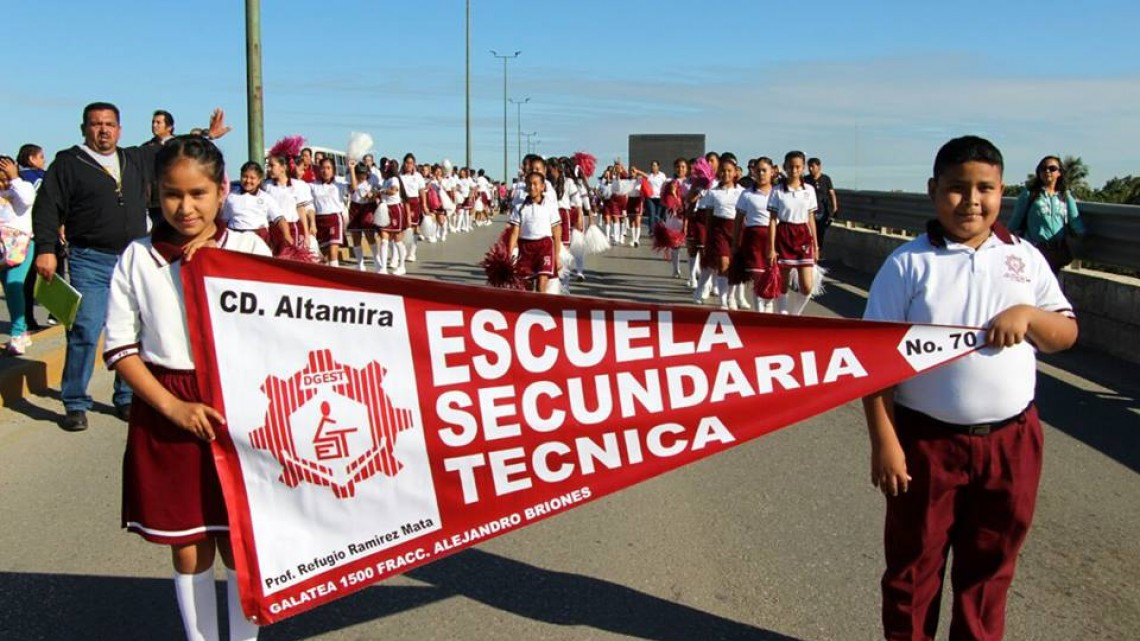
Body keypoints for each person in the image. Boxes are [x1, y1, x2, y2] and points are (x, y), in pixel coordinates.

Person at [862, 135, 1077, 641]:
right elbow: (873, 365)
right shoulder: (909, 264)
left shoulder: (1023, 258)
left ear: (1004, 191)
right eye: (957, 188)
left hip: (1011, 440)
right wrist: (884, 443)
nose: (972, 201)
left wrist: (1029, 316)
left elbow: (1066, 332)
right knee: (913, 568)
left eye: (985, 188)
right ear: (933, 190)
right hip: (926, 442)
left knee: (990, 567)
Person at [104, 135, 267, 641]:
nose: (186, 206)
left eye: (198, 193)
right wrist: (172, 407)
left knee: (241, 540)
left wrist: (221, 267)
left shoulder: (250, 249)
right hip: (167, 402)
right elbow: (121, 348)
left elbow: (284, 332)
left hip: (241, 405)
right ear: (156, 193)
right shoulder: (138, 257)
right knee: (188, 538)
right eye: (173, 194)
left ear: (222, 191)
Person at [32, 102, 229, 431]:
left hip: (133, 256)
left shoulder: (133, 158)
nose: (103, 130)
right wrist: (45, 249)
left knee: (135, 331)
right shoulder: (68, 163)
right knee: (86, 327)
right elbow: (47, 207)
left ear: (120, 129)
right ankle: (75, 401)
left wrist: (207, 135)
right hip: (90, 258)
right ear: (84, 129)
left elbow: (173, 152)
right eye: (96, 124)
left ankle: (126, 397)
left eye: (109, 124)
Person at [1008, 155, 1086, 274]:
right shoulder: (1029, 194)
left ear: (1059, 173)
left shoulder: (1065, 196)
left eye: (1052, 168)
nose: (1047, 171)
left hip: (1057, 251)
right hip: (1035, 250)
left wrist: (1085, 237)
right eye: (1043, 168)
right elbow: (1015, 221)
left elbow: (1075, 220)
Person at [767, 150, 819, 315]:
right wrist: (771, 247)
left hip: (803, 235)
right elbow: (773, 220)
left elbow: (811, 218)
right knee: (782, 281)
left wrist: (816, 245)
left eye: (798, 167)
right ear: (785, 167)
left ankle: (795, 314)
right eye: (791, 167)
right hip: (784, 233)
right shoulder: (777, 191)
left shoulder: (809, 190)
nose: (794, 170)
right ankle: (782, 312)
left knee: (807, 286)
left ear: (803, 168)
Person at [694, 157, 743, 308]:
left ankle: (731, 296)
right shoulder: (713, 192)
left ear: (735, 173)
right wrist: (708, 234)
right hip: (718, 229)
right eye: (723, 170)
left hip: (736, 229)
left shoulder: (742, 192)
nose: (726, 174)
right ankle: (722, 299)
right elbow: (708, 215)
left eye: (729, 171)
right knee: (721, 263)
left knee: (733, 264)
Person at [1, 156, 37, 354]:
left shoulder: (23, 187)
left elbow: (28, 200)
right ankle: (22, 331)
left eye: (6, 176)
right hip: (1, 249)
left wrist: (14, 178)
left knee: (15, 286)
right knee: (8, 288)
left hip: (20, 246)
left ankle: (17, 334)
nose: (4, 182)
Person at [732, 157, 776, 312]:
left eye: (765, 170)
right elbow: (738, 220)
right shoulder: (747, 194)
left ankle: (769, 303)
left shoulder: (778, 193)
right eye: (758, 170)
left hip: (774, 238)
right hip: (754, 238)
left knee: (771, 275)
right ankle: (759, 310)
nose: (761, 174)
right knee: (757, 277)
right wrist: (735, 242)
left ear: (772, 172)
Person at [507, 171, 561, 293]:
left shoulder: (550, 205)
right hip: (525, 247)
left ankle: (542, 310)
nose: (532, 187)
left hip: (545, 246)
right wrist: (509, 254)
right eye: (529, 184)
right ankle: (529, 310)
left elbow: (556, 231)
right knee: (526, 285)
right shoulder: (519, 207)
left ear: (542, 186)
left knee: (542, 284)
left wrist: (558, 255)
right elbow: (515, 232)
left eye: (536, 184)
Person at [16, 144, 50, 331]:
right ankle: (55, 314)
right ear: (31, 158)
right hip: (39, 233)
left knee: (25, 281)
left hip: (22, 235)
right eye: (41, 156)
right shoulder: (40, 179)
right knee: (49, 277)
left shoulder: (16, 179)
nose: (43, 160)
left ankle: (26, 319)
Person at [221, 161, 287, 247]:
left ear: (259, 180)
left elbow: (279, 219)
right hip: (235, 238)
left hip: (259, 238)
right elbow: (224, 221)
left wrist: (287, 236)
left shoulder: (266, 198)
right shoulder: (231, 197)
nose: (248, 181)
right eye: (245, 177)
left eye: (252, 178)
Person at [310, 157, 349, 266]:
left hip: (334, 219)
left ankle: (335, 277)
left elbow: (353, 189)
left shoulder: (339, 184)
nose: (325, 171)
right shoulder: (312, 185)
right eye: (323, 168)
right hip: (319, 220)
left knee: (333, 251)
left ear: (333, 170)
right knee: (324, 255)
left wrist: (352, 168)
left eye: (328, 168)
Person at [143, 110, 176, 225]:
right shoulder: (146, 147)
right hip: (154, 201)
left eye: (158, 122)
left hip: (173, 196)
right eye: (153, 122)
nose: (154, 125)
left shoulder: (178, 145)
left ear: (169, 127)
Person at [804, 157, 838, 254]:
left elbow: (832, 193)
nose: (810, 169)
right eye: (809, 166)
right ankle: (811, 252)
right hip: (809, 211)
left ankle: (818, 251)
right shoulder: (806, 179)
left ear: (819, 167)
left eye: (813, 166)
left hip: (822, 210)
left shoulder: (826, 179)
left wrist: (835, 208)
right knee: (809, 231)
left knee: (820, 231)